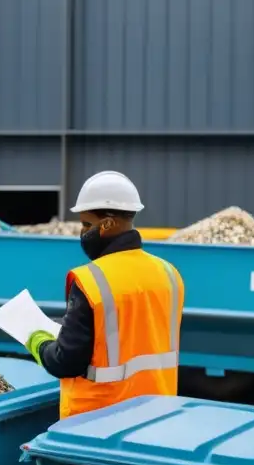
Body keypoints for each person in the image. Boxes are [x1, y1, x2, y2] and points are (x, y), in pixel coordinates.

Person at [24, 171, 184, 420]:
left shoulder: (92, 280)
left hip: (97, 421)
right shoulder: (168, 273)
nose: (83, 232)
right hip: (156, 415)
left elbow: (65, 362)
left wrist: (36, 339)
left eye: (87, 225)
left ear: (108, 223)